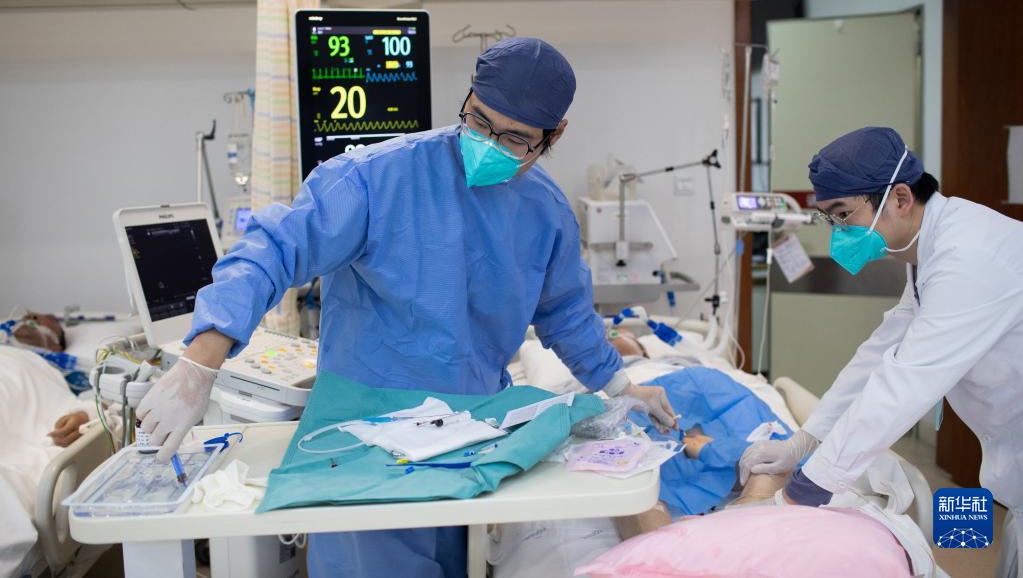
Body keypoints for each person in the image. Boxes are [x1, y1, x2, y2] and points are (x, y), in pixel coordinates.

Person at [136, 37, 677, 577]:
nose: (487, 144)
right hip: (363, 438)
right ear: (467, 97)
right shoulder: (373, 178)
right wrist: (199, 364)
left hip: (471, 435)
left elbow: (566, 315)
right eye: (479, 121)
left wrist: (621, 386)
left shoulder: (547, 213)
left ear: (553, 136)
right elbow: (272, 251)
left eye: (515, 138)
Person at [739, 127, 1023, 577]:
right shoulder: (929, 251)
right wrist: (804, 441)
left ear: (901, 198)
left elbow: (904, 383)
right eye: (829, 218)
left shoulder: (969, 256)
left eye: (843, 214)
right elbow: (880, 353)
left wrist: (803, 491)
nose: (838, 232)